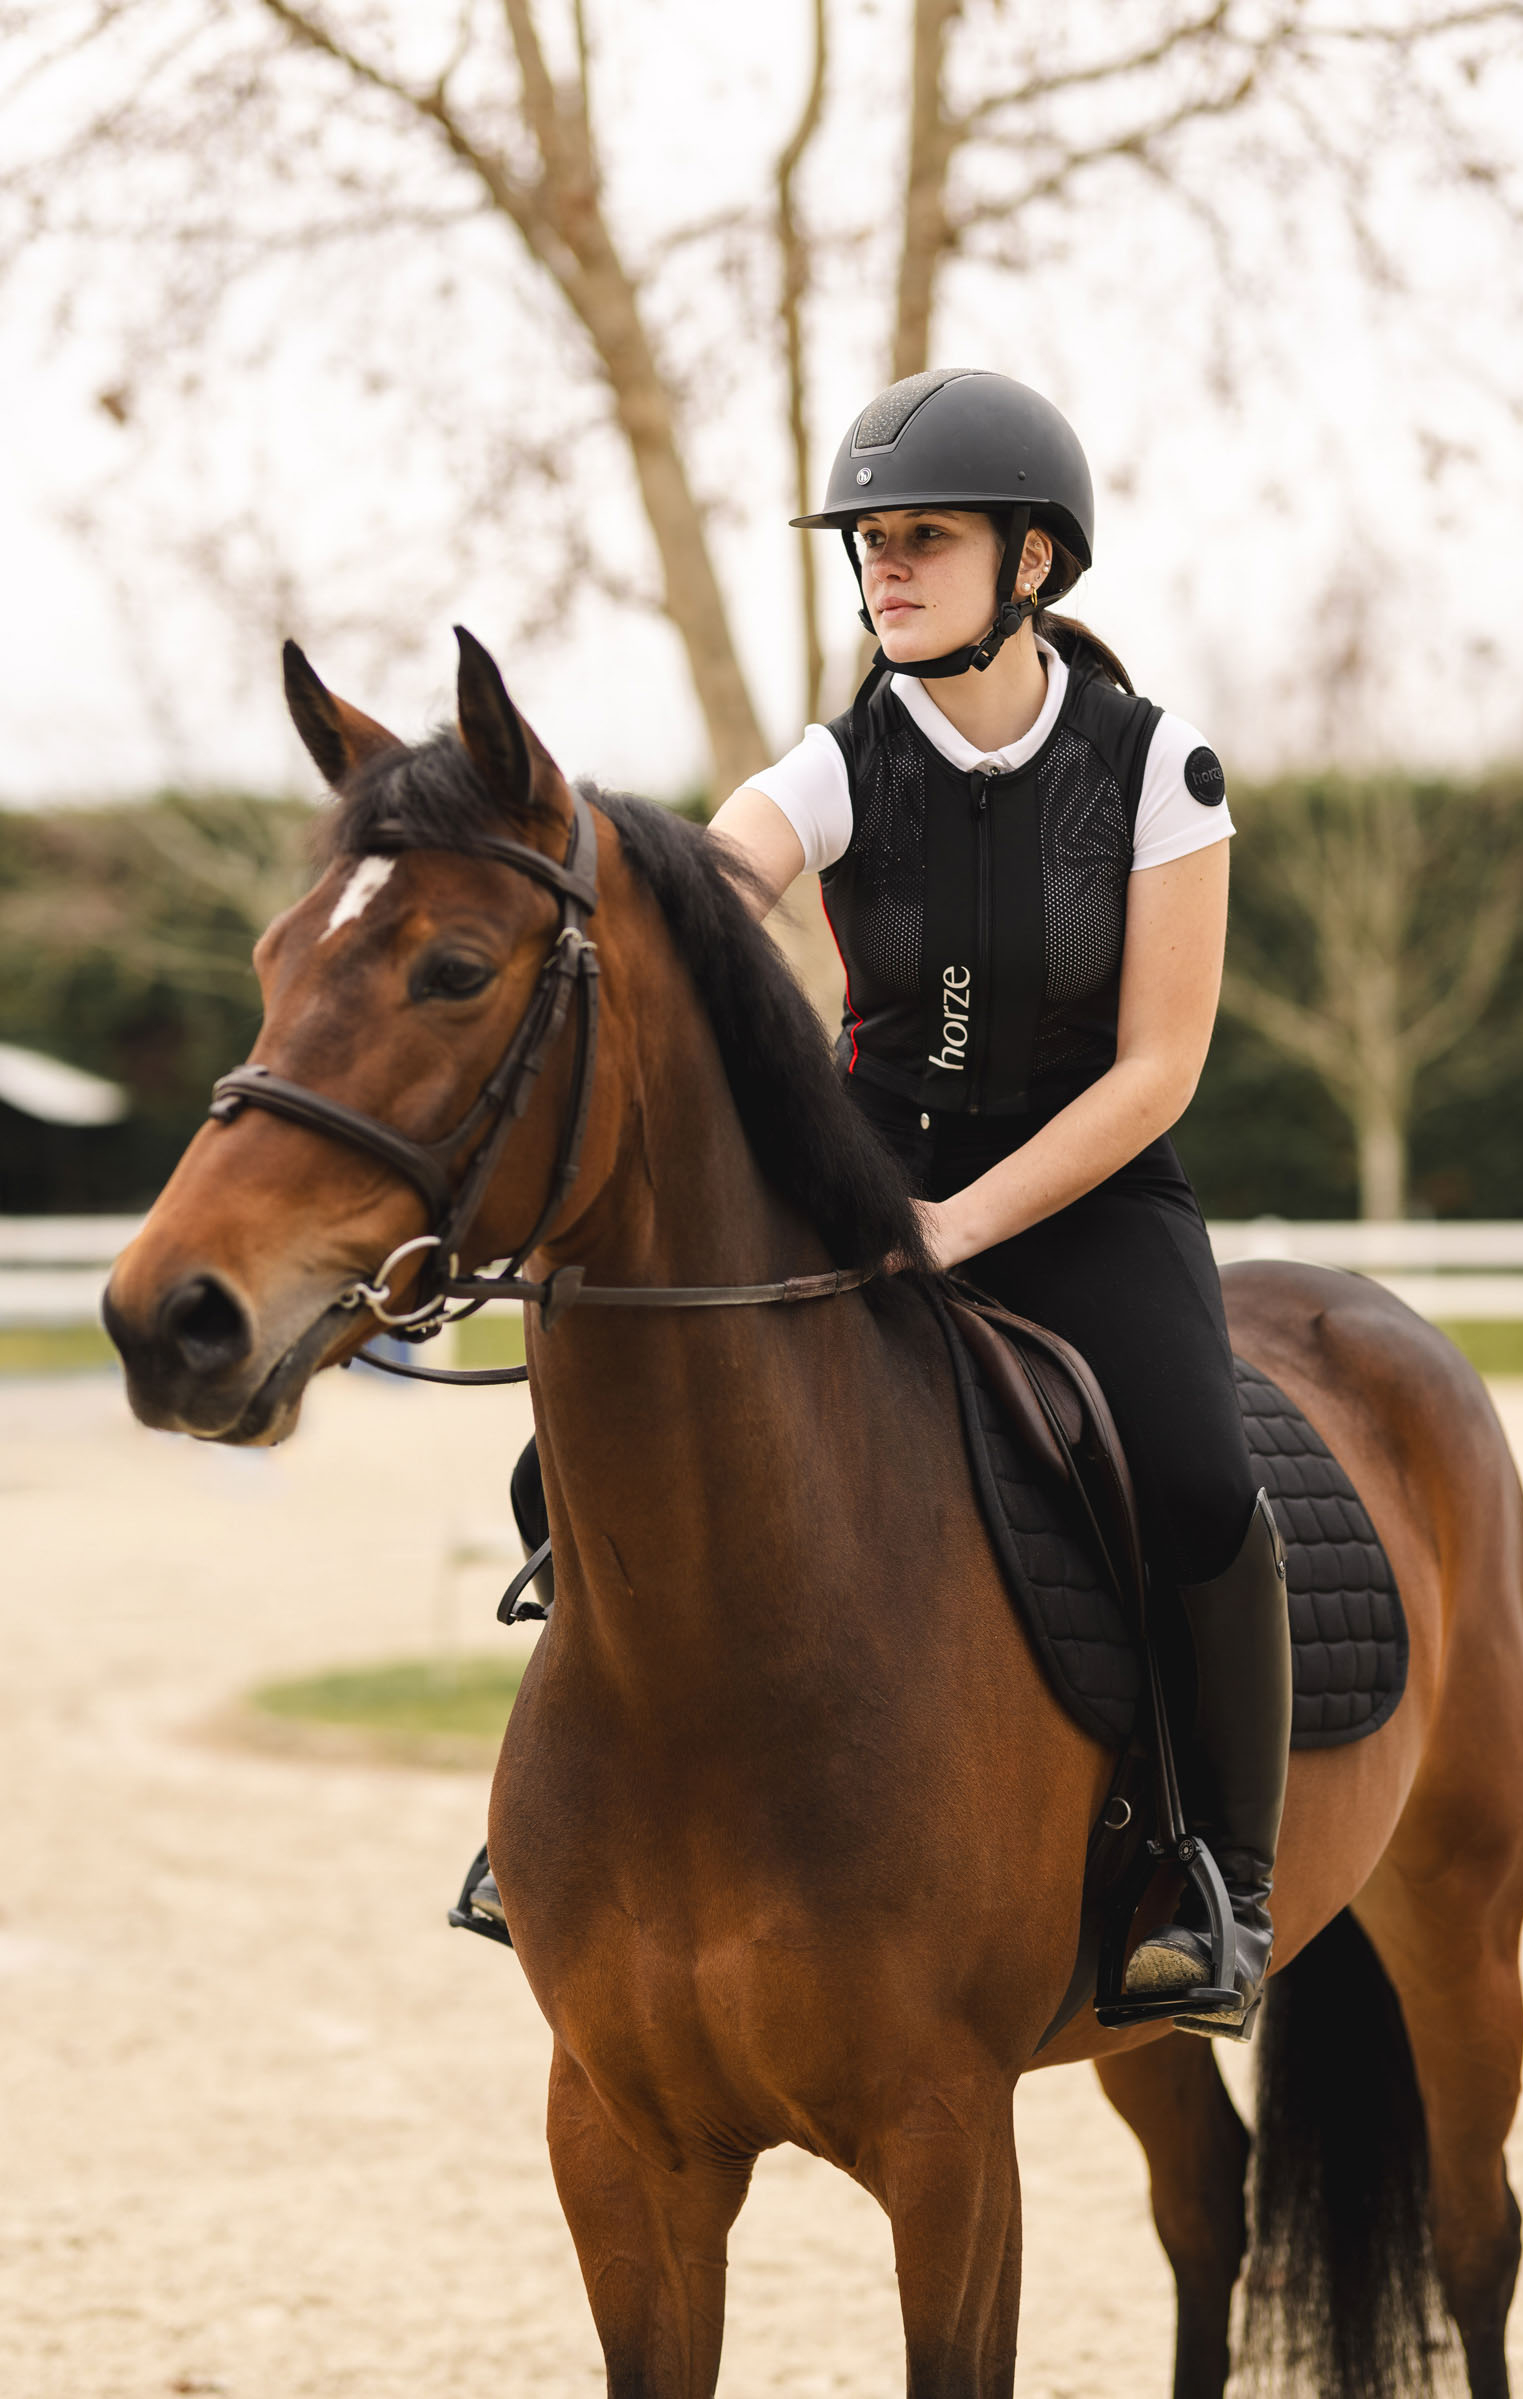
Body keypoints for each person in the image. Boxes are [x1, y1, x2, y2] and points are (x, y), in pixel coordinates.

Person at [460, 367, 1291, 2037]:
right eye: (868, 544)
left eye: (921, 539)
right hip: (863, 1162)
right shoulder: (838, 763)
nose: (882, 570)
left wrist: (963, 1230)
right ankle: (555, 1825)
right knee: (566, 1447)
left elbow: (1157, 1074)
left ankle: (1212, 1879)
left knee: (1201, 1486)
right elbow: (697, 903)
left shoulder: (1160, 768)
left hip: (1089, 1183)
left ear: (1034, 564)